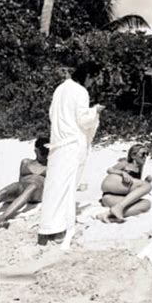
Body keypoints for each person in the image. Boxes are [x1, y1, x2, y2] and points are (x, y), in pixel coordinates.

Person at [38, 62, 104, 249]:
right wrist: (95, 111)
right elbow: (83, 121)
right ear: (88, 75)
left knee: (54, 186)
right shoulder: (80, 91)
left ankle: (46, 229)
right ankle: (59, 230)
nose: (93, 83)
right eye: (94, 78)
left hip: (58, 143)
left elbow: (53, 114)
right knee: (67, 187)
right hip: (72, 144)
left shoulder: (60, 88)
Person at [0, 136, 49, 228]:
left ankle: (2, 218)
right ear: (36, 151)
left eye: (47, 153)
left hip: (37, 192)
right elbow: (20, 180)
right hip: (23, 190)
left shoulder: (51, 166)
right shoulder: (25, 162)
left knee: (32, 186)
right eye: (43, 153)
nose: (46, 156)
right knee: (10, 188)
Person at [97, 144, 152, 223]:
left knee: (147, 204)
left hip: (113, 198)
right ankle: (119, 207)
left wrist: (146, 181)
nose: (145, 156)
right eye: (143, 154)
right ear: (133, 155)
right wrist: (122, 173)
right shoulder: (125, 163)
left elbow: (134, 187)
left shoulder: (140, 167)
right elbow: (109, 170)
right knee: (147, 186)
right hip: (109, 188)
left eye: (147, 154)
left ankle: (109, 214)